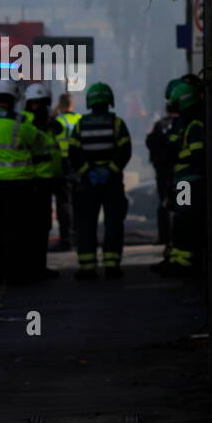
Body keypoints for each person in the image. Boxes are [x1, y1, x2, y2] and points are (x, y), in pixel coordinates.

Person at [0, 79, 40, 286]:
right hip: (18, 186)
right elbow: (39, 144)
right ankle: (14, 276)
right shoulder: (20, 123)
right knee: (15, 232)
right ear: (13, 99)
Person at [67, 82, 131, 280]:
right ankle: (112, 266)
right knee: (113, 223)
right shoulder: (117, 123)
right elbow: (125, 151)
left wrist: (87, 172)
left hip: (88, 184)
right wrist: (110, 170)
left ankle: (87, 268)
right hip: (111, 182)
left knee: (86, 224)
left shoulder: (80, 124)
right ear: (109, 101)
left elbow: (73, 153)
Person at [163, 79, 205, 276]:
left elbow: (195, 154)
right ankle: (181, 259)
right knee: (181, 218)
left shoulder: (192, 125)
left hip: (187, 183)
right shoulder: (187, 123)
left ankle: (184, 262)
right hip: (183, 181)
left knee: (184, 219)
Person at [22, 82, 61, 280]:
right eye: (36, 103)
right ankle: (30, 267)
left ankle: (39, 266)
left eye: (42, 103)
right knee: (31, 227)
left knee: (43, 226)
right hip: (30, 181)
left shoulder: (49, 124)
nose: (39, 107)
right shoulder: (25, 123)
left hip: (47, 181)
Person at [146, 77, 186, 270]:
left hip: (174, 178)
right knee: (181, 211)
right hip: (181, 179)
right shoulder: (186, 124)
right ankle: (174, 251)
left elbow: (152, 146)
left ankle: (172, 247)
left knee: (170, 208)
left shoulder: (161, 125)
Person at [52, 92, 80, 249]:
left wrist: (56, 110)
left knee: (64, 204)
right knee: (78, 203)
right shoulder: (80, 120)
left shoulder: (59, 121)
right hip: (78, 165)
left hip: (63, 164)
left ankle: (66, 239)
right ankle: (78, 236)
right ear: (73, 104)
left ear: (61, 105)